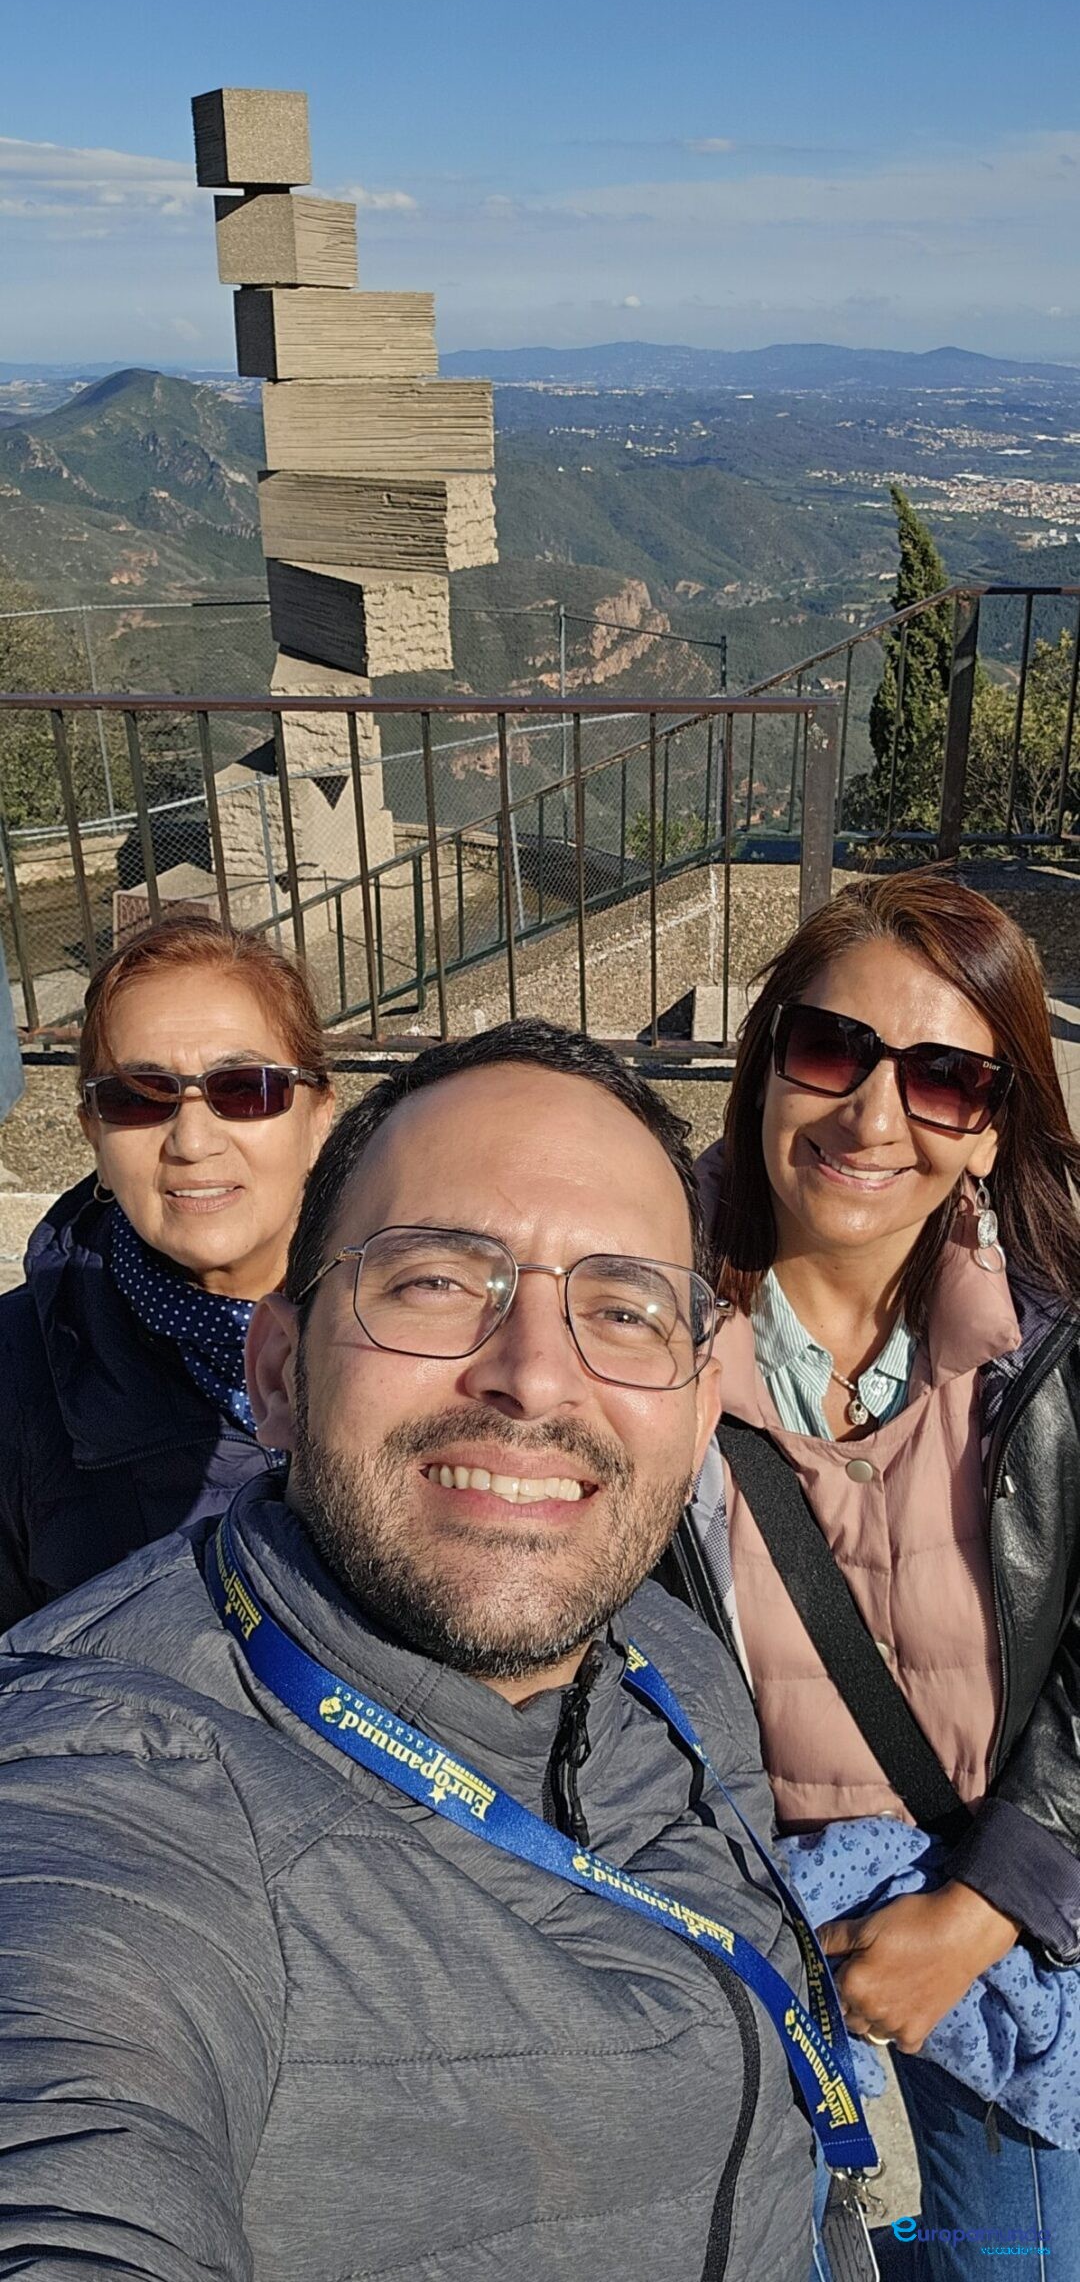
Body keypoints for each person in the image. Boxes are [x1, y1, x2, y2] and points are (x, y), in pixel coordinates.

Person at [0, 1020, 825, 2281]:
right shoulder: (114, 1766)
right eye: (436, 1279)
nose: (537, 1377)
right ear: (278, 1370)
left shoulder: (666, 1654)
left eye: (622, 1304)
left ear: (699, 1404)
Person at [687, 871, 1080, 2276]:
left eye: (943, 1079)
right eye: (831, 1049)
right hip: (718, 1925)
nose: (871, 1116)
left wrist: (977, 1913)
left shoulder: (1051, 1342)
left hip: (1003, 1905)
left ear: (991, 1129)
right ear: (764, 1060)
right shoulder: (627, 1321)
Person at [0, 913, 334, 1631]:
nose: (190, 1139)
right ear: (92, 1129)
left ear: (318, 1116)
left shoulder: (433, 1332)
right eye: (137, 1098)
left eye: (245, 1088)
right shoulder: (13, 1373)